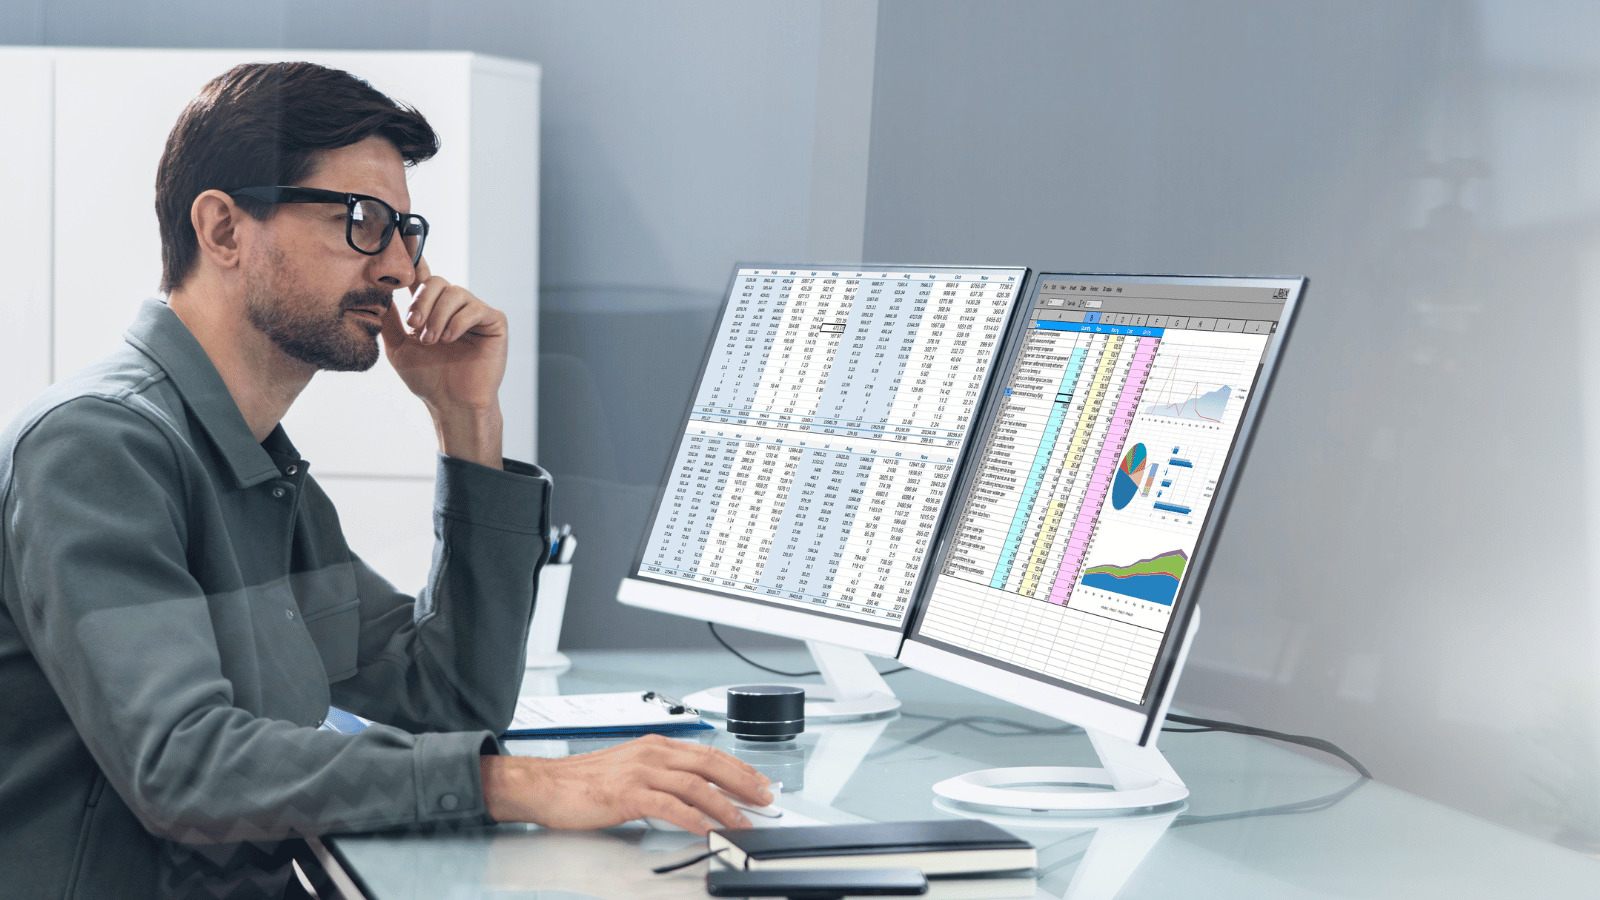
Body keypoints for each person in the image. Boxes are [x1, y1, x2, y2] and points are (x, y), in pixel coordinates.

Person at [0, 61, 769, 899]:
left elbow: (448, 700)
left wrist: (466, 424)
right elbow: (184, 763)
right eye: (363, 221)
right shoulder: (95, 447)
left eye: (407, 229)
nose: (402, 267)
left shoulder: (256, 470)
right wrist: (525, 785)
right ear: (223, 230)